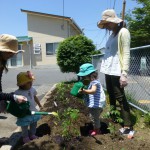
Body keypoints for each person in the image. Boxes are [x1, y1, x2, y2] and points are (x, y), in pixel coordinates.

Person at [97, 9, 133, 134]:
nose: (106, 26)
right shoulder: (112, 34)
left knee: (120, 97)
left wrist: (124, 74)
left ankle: (128, 126)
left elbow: (126, 53)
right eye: (105, 23)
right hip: (108, 70)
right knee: (111, 95)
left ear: (114, 21)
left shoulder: (123, 32)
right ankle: (114, 117)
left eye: (107, 23)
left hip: (117, 70)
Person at [0, 34, 28, 112]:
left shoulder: (1, 62)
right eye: (9, 52)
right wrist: (13, 97)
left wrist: (2, 99)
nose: (12, 55)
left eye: (13, 52)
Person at [77, 63, 106, 136]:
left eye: (84, 76)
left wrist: (84, 91)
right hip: (95, 104)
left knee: (95, 118)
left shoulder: (94, 82)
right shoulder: (91, 82)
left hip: (96, 105)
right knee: (93, 117)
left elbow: (93, 91)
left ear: (91, 75)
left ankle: (97, 131)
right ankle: (96, 129)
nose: (83, 78)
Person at [15, 71, 42, 143]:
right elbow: (15, 104)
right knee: (24, 126)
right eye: (29, 83)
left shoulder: (32, 89)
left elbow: (35, 97)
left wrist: (39, 105)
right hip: (24, 113)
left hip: (33, 111)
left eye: (31, 82)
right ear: (22, 84)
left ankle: (32, 134)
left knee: (34, 123)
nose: (31, 84)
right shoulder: (17, 93)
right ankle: (25, 137)